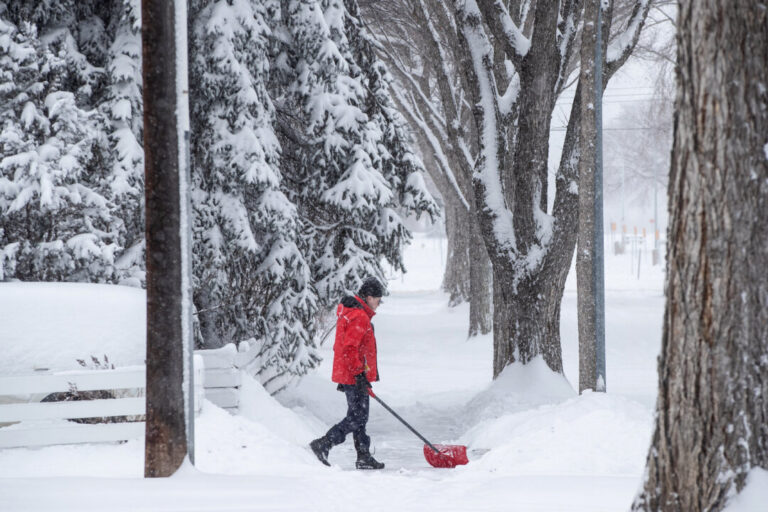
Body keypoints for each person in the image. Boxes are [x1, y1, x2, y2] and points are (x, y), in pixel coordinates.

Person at [309, 277, 386, 470]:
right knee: (358, 417)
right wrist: (359, 375)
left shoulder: (353, 313)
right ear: (368, 297)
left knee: (358, 416)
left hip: (351, 373)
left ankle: (363, 456)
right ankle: (324, 443)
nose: (378, 303)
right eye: (377, 298)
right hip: (354, 374)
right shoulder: (359, 316)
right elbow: (350, 348)